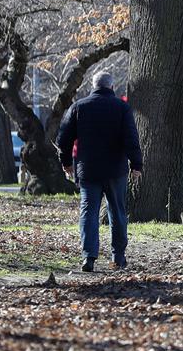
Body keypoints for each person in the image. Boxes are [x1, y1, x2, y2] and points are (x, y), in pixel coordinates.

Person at [57, 71, 142, 272]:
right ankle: (118, 256)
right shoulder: (122, 108)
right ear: (111, 87)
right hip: (115, 170)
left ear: (93, 86)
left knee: (88, 212)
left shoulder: (79, 107)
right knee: (118, 212)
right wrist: (136, 165)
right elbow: (131, 139)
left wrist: (66, 163)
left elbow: (63, 139)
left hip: (88, 169)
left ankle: (88, 257)